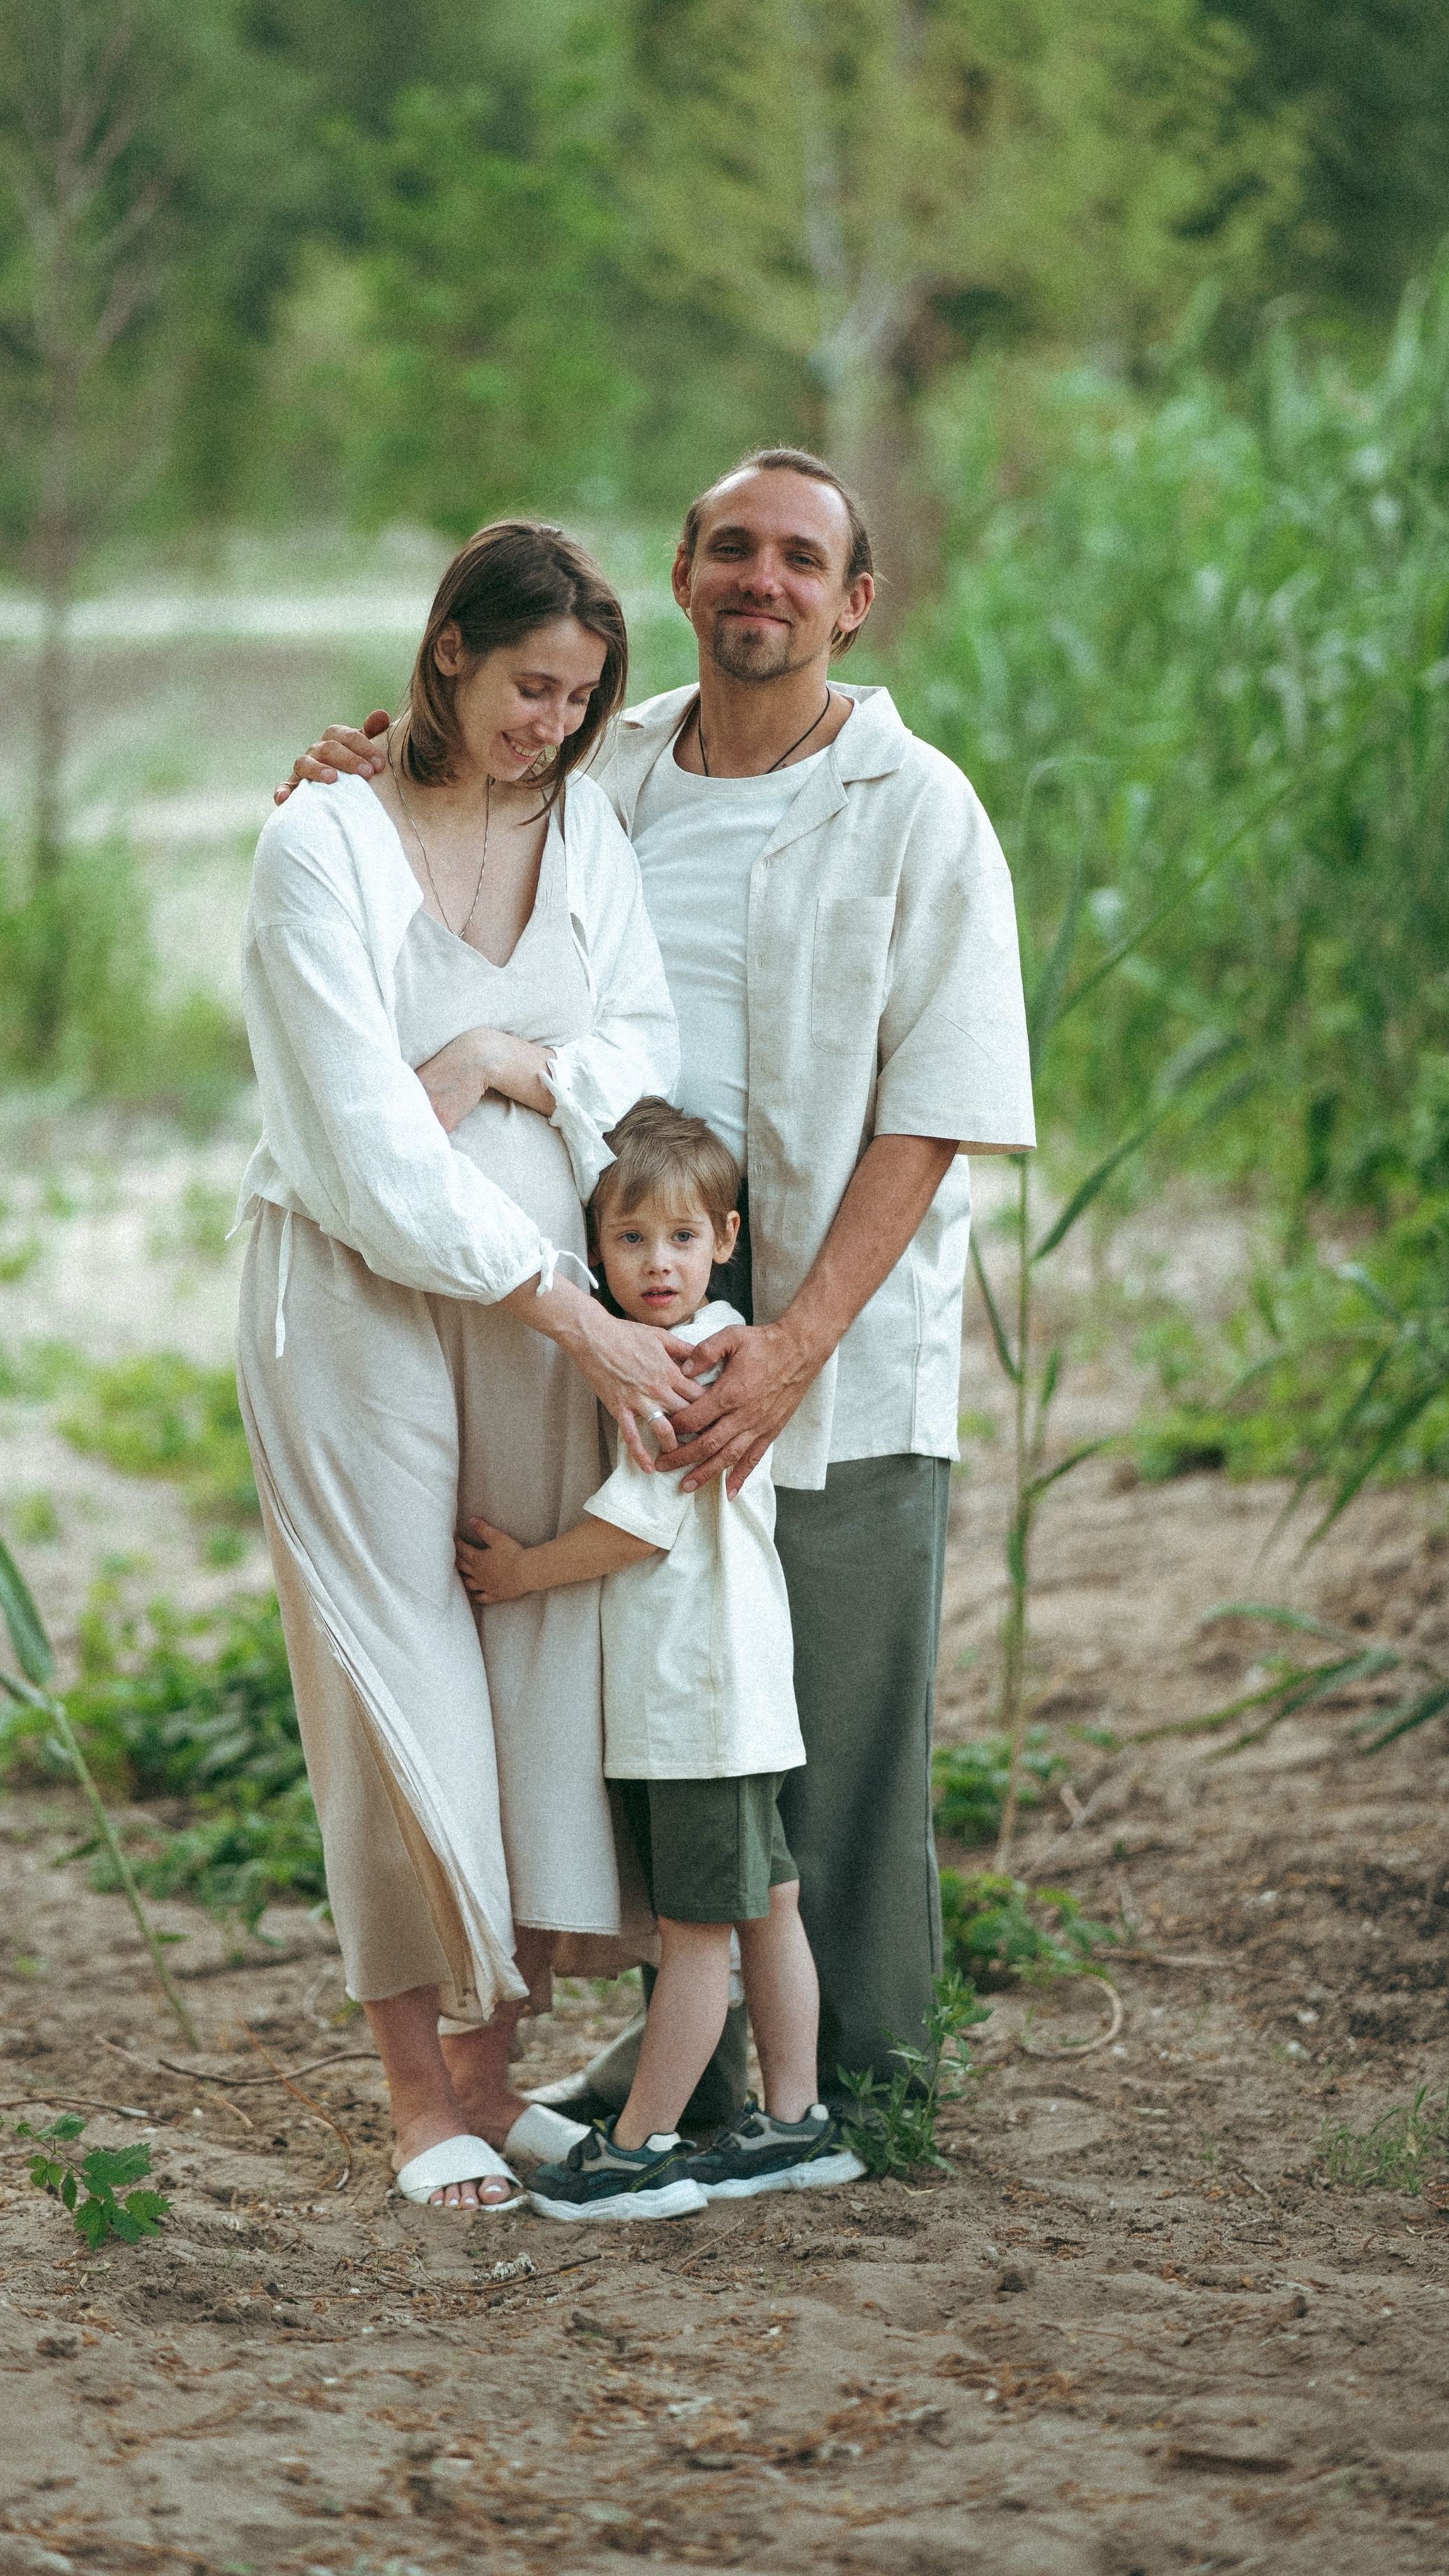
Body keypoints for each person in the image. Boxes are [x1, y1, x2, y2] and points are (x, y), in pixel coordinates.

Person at [277, 447, 1036, 2127]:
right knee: (672, 1709)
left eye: (800, 559)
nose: (762, 579)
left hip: (828, 1340)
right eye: (731, 548)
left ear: (853, 603)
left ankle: (859, 2087)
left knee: (831, 1721)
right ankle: (689, 2072)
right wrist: (352, 770)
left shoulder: (916, 806)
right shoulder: (598, 765)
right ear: (684, 577)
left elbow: (936, 1107)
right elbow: (445, 830)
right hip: (630, 1327)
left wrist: (796, 1342)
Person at [234, 518, 687, 2212]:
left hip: (541, 1297)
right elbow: (362, 1143)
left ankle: (495, 2082)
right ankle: (414, 2096)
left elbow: (640, 1049)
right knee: (391, 1656)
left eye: (577, 700)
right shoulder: (321, 843)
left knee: (523, 1645)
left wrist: (503, 1058)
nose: (549, 726)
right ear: (447, 653)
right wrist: (572, 1312)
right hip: (355, 1289)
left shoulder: (585, 831)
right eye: (525, 688)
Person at [456, 1098, 865, 2224]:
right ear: (594, 1248)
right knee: (768, 1903)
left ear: (725, 1239)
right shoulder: (722, 1343)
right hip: (740, 1693)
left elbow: (639, 1528)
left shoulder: (680, 1369)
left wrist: (526, 1572)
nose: (657, 1264)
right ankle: (795, 2122)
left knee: (695, 1938)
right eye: (630, 1239)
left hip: (694, 1701)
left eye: (682, 1237)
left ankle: (641, 2149)